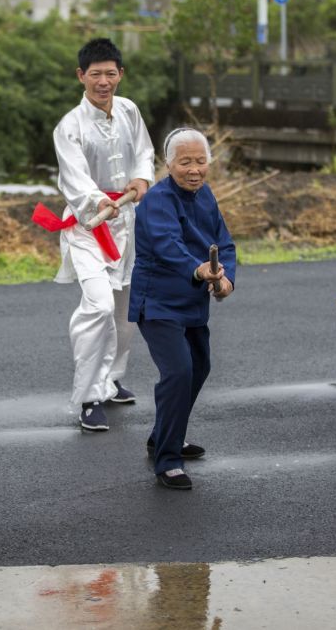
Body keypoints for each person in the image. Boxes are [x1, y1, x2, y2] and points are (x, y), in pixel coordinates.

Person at [32, 38, 154, 431]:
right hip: (88, 227)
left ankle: (112, 378)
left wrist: (140, 179)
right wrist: (102, 204)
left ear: (121, 74)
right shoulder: (69, 127)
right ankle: (88, 396)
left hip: (128, 224)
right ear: (81, 76)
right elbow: (75, 180)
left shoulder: (130, 111)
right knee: (99, 305)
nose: (104, 81)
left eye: (110, 73)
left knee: (124, 312)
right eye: (95, 74)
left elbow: (144, 154)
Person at [129, 128, 234, 490]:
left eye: (200, 161)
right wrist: (201, 269)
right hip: (157, 302)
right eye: (185, 162)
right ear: (168, 164)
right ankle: (168, 459)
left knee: (199, 367)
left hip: (191, 303)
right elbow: (167, 245)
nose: (194, 169)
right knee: (178, 372)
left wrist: (226, 279)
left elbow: (225, 244)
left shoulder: (207, 197)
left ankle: (162, 435)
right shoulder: (156, 201)